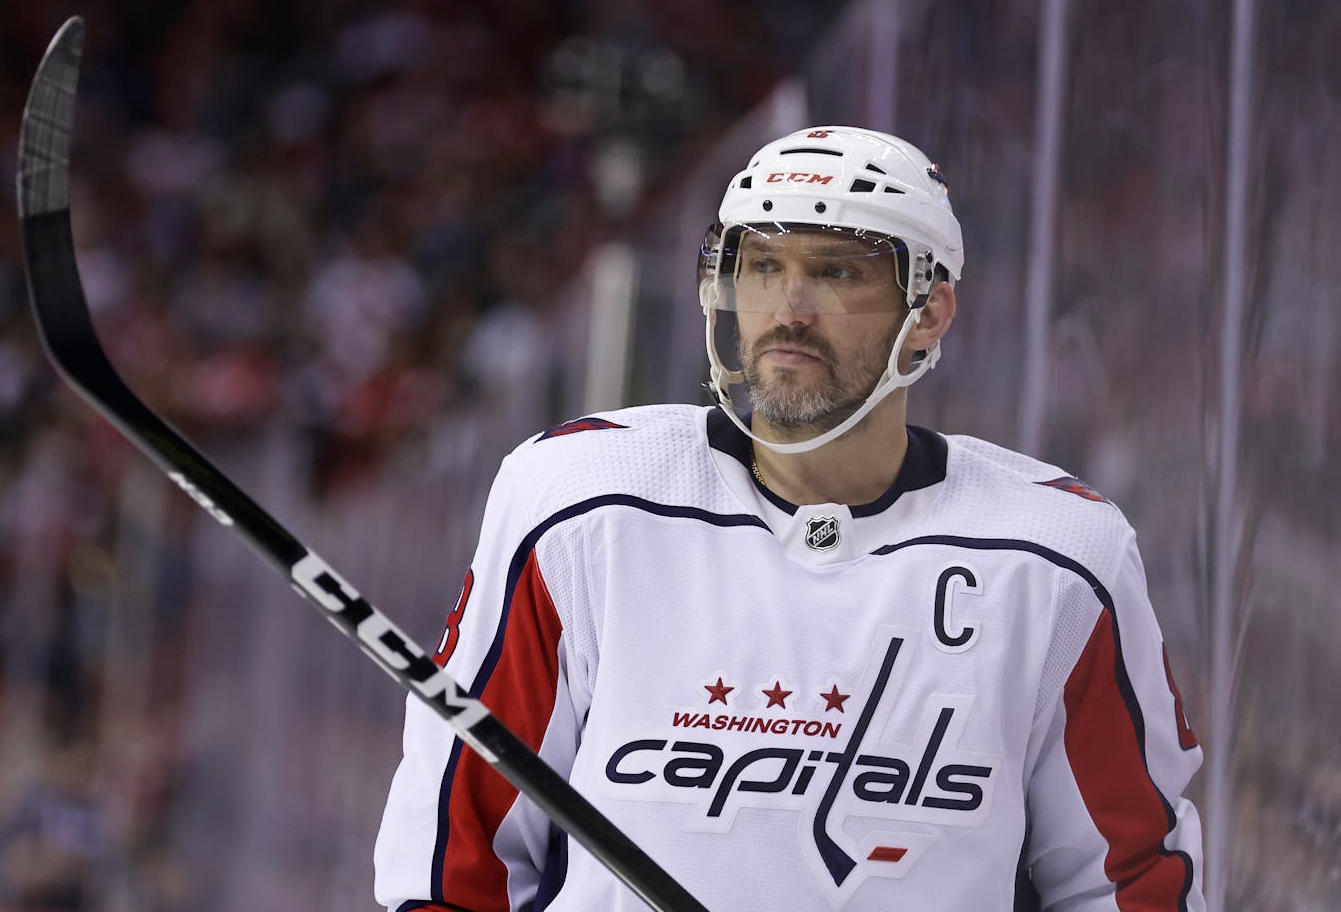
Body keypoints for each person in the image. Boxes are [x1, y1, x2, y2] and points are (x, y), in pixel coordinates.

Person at [373, 126, 1206, 910]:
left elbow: (1130, 882)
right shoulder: (582, 498)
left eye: (838, 272)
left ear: (931, 313)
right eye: (762, 266)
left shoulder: (1057, 555)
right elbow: (455, 840)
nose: (789, 307)